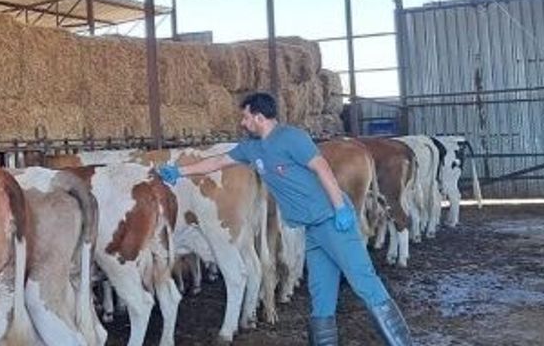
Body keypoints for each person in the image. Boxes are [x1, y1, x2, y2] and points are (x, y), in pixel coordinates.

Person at [155, 92, 414, 346]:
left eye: (245, 117)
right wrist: (179, 171)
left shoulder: (291, 137)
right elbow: (218, 162)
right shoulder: (252, 147)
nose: (242, 123)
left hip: (332, 220)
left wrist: (340, 209)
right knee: (321, 294)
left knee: (364, 282)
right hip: (312, 228)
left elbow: (322, 168)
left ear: (259, 117)